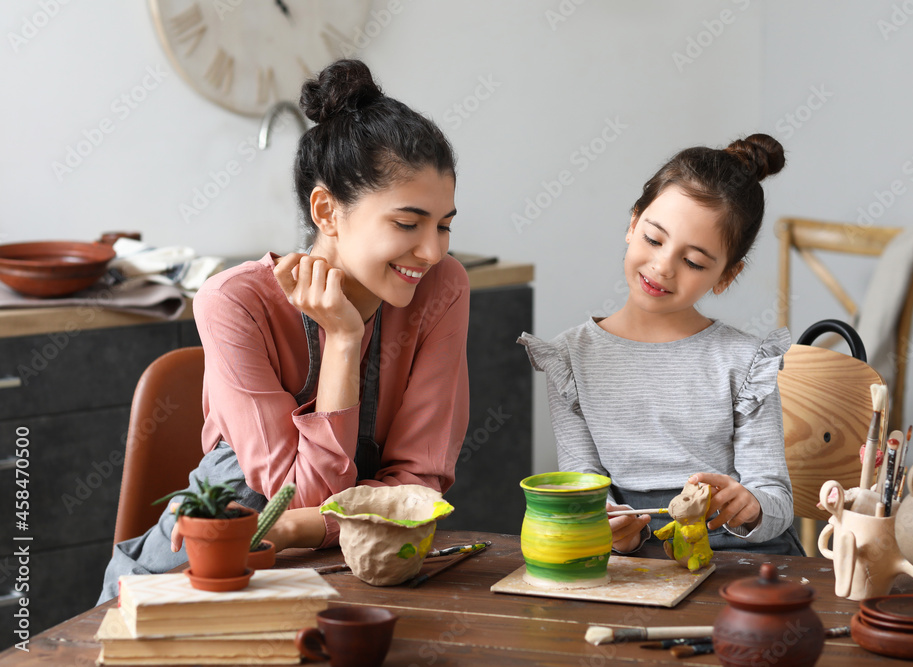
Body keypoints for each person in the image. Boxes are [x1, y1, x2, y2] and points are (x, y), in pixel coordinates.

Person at [99, 59, 470, 603]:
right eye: (408, 224)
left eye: (444, 226)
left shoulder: (443, 287)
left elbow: (421, 486)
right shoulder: (235, 301)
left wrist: (303, 527)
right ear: (326, 210)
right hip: (211, 563)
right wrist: (342, 341)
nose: (433, 251)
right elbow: (298, 497)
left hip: (363, 565)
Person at [518, 134, 804, 556]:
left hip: (739, 557)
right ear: (633, 223)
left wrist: (750, 507)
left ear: (726, 275)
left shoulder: (745, 362)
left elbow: (777, 504)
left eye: (693, 262)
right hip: (638, 556)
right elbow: (584, 483)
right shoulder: (571, 358)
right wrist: (614, 529)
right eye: (654, 239)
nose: (662, 266)